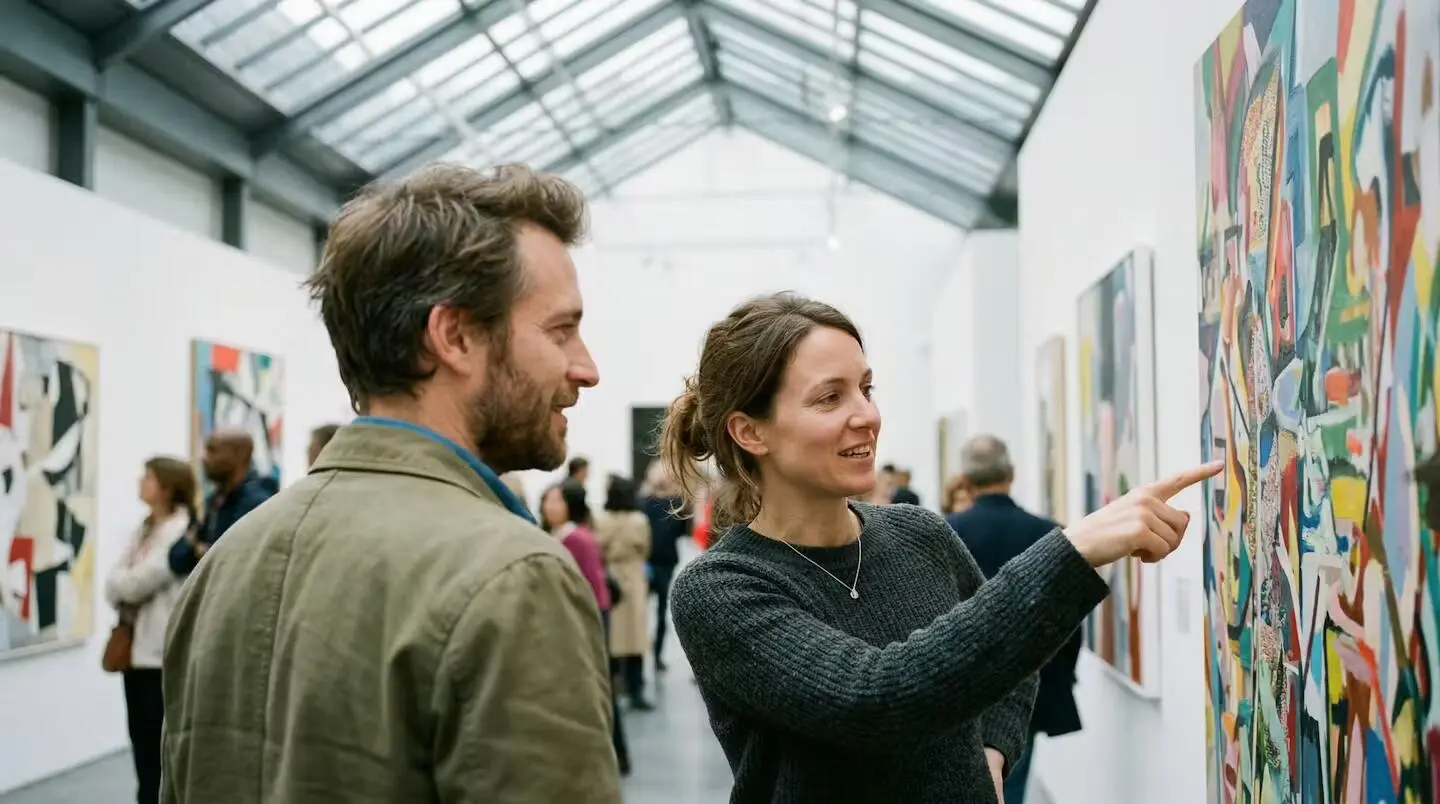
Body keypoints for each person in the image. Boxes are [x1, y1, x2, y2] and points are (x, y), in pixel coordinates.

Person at [161, 163, 621, 802]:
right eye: (560, 329)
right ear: (454, 336)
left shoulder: (228, 562)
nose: (586, 367)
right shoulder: (513, 576)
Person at [661, 291, 1222, 803]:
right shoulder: (721, 588)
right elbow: (874, 700)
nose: (867, 415)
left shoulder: (917, 533)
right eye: (830, 398)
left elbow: (1009, 654)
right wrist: (1069, 551)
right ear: (750, 432)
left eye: (866, 388)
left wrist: (993, 754)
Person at [946, 435, 1083, 804]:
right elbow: (1070, 618)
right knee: (1012, 783)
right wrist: (1060, 674)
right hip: (1032, 683)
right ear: (1011, 473)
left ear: (966, 480)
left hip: (962, 686)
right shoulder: (1048, 532)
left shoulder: (946, 533)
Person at [103, 456, 197, 804]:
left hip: (161, 654)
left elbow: (136, 583)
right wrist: (123, 584)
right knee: (141, 747)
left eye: (149, 477)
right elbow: (113, 584)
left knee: (160, 752)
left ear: (168, 486)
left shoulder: (181, 531)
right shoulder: (144, 528)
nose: (141, 482)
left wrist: (123, 583)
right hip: (135, 656)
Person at [539, 482, 630, 775]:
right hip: (567, 622)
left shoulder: (578, 539)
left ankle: (616, 753)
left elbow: (596, 589)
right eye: (547, 500)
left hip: (585, 623)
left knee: (599, 688)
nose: (550, 506)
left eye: (557, 500)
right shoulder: (558, 536)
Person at [166, 430, 274, 576]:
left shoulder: (257, 503)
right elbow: (177, 560)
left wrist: (201, 550)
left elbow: (232, 561)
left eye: (212, 451)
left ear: (239, 454)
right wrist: (199, 549)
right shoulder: (214, 501)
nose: (204, 458)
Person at [595, 475, 654, 709]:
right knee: (635, 637)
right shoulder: (639, 520)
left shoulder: (602, 521)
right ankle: (636, 689)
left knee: (612, 636)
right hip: (634, 576)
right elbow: (647, 549)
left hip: (610, 577)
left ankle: (614, 687)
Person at [640, 463, 689, 671]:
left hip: (646, 561)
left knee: (642, 609)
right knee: (660, 610)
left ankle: (641, 655)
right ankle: (657, 655)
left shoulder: (643, 502)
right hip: (665, 560)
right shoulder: (677, 503)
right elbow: (681, 531)